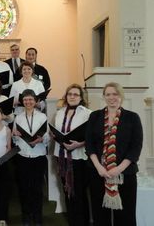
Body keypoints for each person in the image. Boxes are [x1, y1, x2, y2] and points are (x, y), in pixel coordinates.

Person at [85, 82, 143, 226]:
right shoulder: (95, 116)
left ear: (121, 96)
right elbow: (89, 144)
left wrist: (118, 169)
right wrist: (99, 167)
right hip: (99, 173)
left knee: (125, 216)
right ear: (104, 97)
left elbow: (136, 147)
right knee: (100, 215)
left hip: (124, 174)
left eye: (115, 94)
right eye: (108, 94)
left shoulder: (132, 117)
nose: (112, 97)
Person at [51, 84, 92, 226]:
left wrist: (79, 144)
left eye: (75, 94)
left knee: (79, 194)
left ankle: (83, 222)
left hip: (79, 158)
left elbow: (92, 136)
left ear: (81, 98)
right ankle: (73, 222)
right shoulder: (60, 112)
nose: (72, 97)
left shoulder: (87, 113)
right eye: (70, 94)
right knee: (67, 193)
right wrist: (54, 135)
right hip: (61, 157)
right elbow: (57, 132)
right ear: (66, 96)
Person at [12, 89, 48, 226]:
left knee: (37, 189)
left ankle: (37, 216)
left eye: (30, 99)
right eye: (25, 100)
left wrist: (40, 140)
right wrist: (15, 135)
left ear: (35, 101)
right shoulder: (18, 117)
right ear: (22, 101)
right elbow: (15, 140)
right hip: (23, 156)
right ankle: (26, 216)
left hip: (38, 156)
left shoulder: (42, 117)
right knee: (24, 188)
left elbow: (47, 137)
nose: (28, 102)